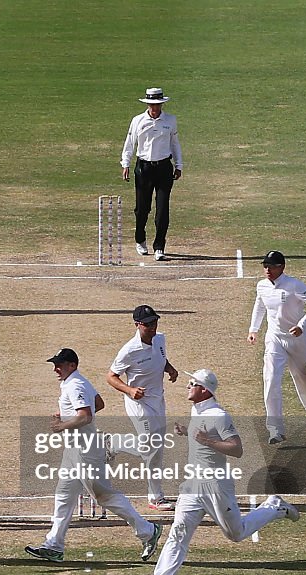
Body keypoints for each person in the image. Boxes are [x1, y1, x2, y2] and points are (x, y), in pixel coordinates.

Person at [134, 369, 300, 575]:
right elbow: (202, 436)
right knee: (178, 533)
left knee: (236, 533)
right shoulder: (198, 410)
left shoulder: (219, 415)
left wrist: (208, 441)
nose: (188, 386)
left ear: (205, 390)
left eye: (193, 383)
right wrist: (187, 433)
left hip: (215, 485)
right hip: (192, 485)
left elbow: (236, 448)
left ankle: (275, 506)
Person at [24, 348, 162, 563]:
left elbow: (86, 416)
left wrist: (62, 425)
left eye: (60, 364)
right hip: (74, 450)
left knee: (103, 495)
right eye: (55, 364)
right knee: (64, 497)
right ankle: (54, 546)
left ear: (72, 365)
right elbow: (99, 404)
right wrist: (69, 418)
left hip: (85, 450)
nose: (55, 368)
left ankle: (147, 530)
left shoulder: (76, 384)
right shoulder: (78, 382)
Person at [248, 250, 306, 444]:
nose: (267, 269)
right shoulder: (262, 286)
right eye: (265, 266)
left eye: (271, 266)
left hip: (297, 341)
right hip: (274, 338)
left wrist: (302, 325)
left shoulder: (294, 285)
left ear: (281, 267)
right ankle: (275, 430)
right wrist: (253, 329)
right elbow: (260, 305)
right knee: (271, 379)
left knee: (303, 378)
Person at [106, 305, 180, 510]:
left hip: (158, 400)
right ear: (137, 325)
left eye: (154, 322)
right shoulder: (129, 350)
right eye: (148, 324)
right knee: (150, 447)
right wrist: (129, 390)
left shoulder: (160, 339)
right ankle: (113, 444)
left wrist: (170, 369)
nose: (152, 327)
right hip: (138, 403)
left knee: (157, 449)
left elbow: (161, 358)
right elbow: (111, 377)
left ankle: (156, 498)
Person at [120, 88, 183, 262]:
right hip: (144, 169)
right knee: (142, 209)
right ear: (147, 104)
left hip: (163, 168)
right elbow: (130, 142)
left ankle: (159, 246)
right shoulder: (138, 121)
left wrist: (179, 165)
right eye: (152, 105)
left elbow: (175, 144)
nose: (155, 109)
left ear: (162, 104)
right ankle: (140, 239)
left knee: (162, 210)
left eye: (158, 105)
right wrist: (125, 163)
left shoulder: (170, 120)